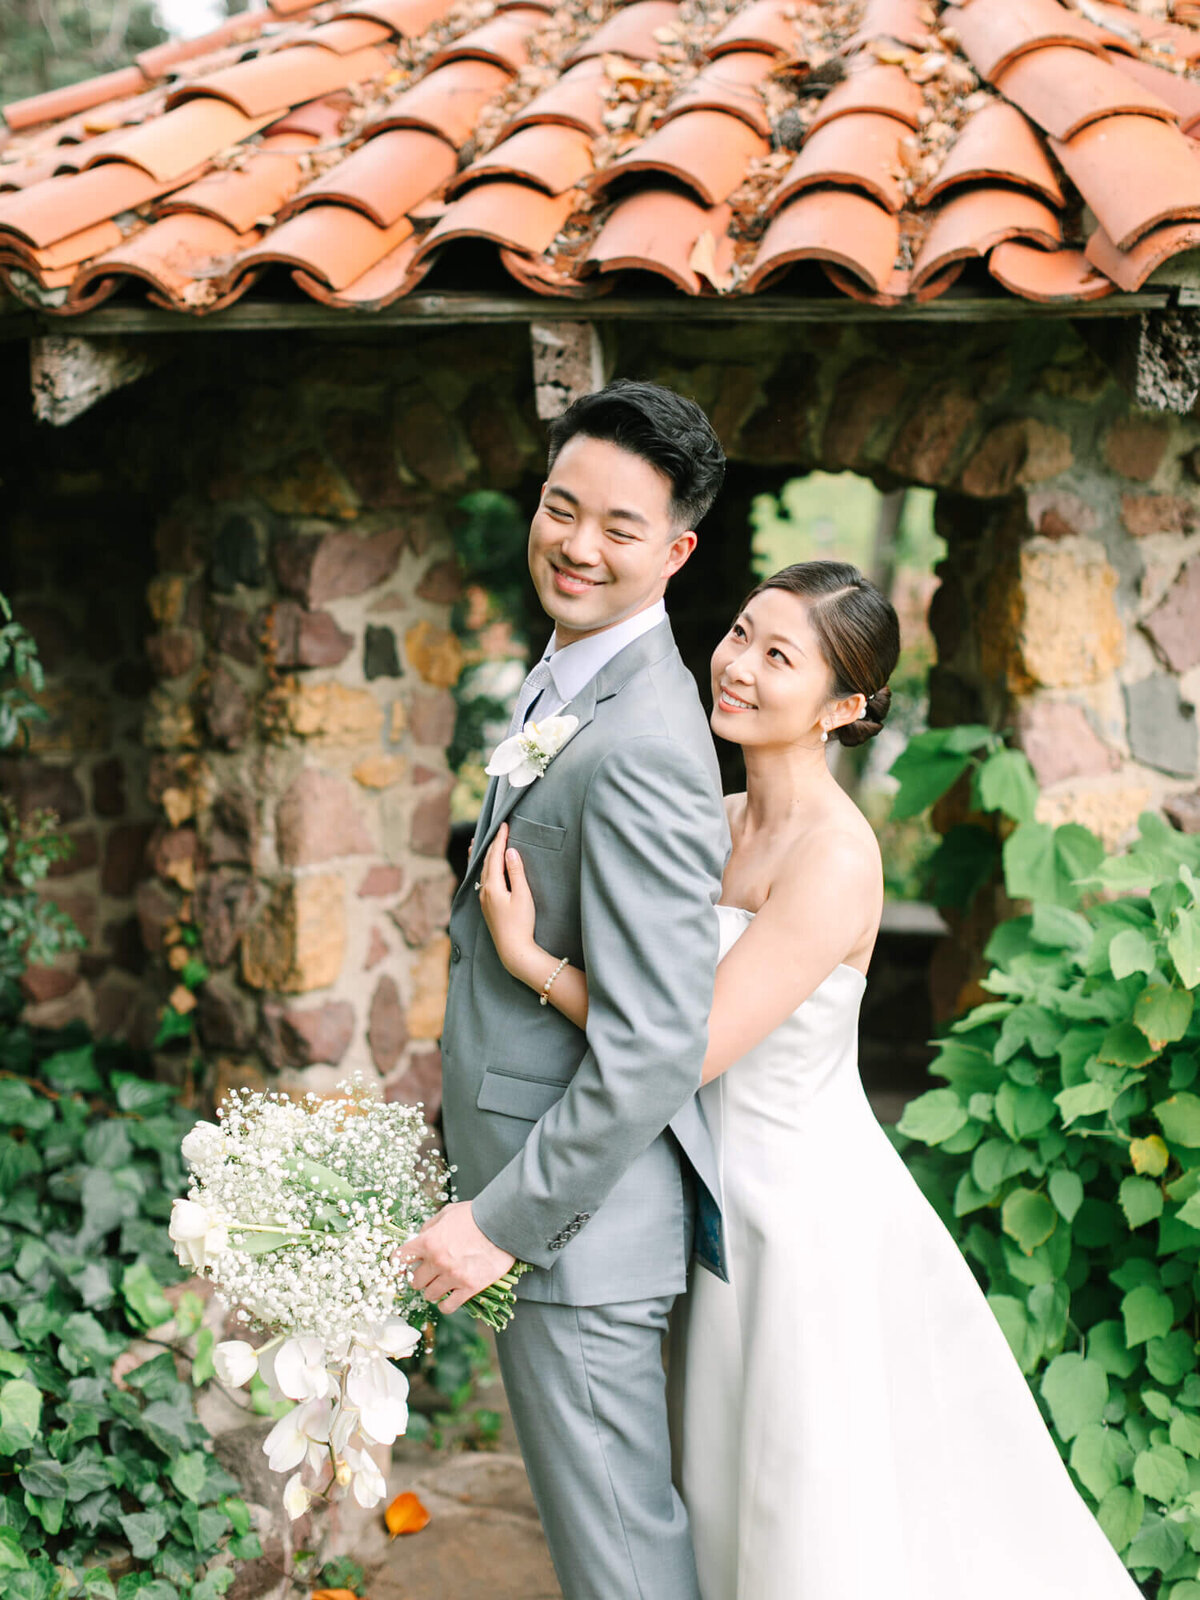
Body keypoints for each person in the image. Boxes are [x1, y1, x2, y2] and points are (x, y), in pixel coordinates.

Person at [480, 560, 1143, 1600]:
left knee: (805, 1500)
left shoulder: (836, 859)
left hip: (798, 1214)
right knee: (715, 1479)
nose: (736, 664)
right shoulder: (718, 814)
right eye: (740, 632)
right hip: (696, 1179)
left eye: (777, 655)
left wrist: (536, 965)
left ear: (842, 706)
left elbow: (685, 1045)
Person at [399, 380, 730, 1600]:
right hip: (543, 1204)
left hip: (573, 1234)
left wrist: (494, 1223)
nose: (577, 545)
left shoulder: (646, 736)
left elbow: (654, 1045)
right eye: (559, 506)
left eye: (620, 527)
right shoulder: (570, 674)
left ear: (677, 550)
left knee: (624, 1566)